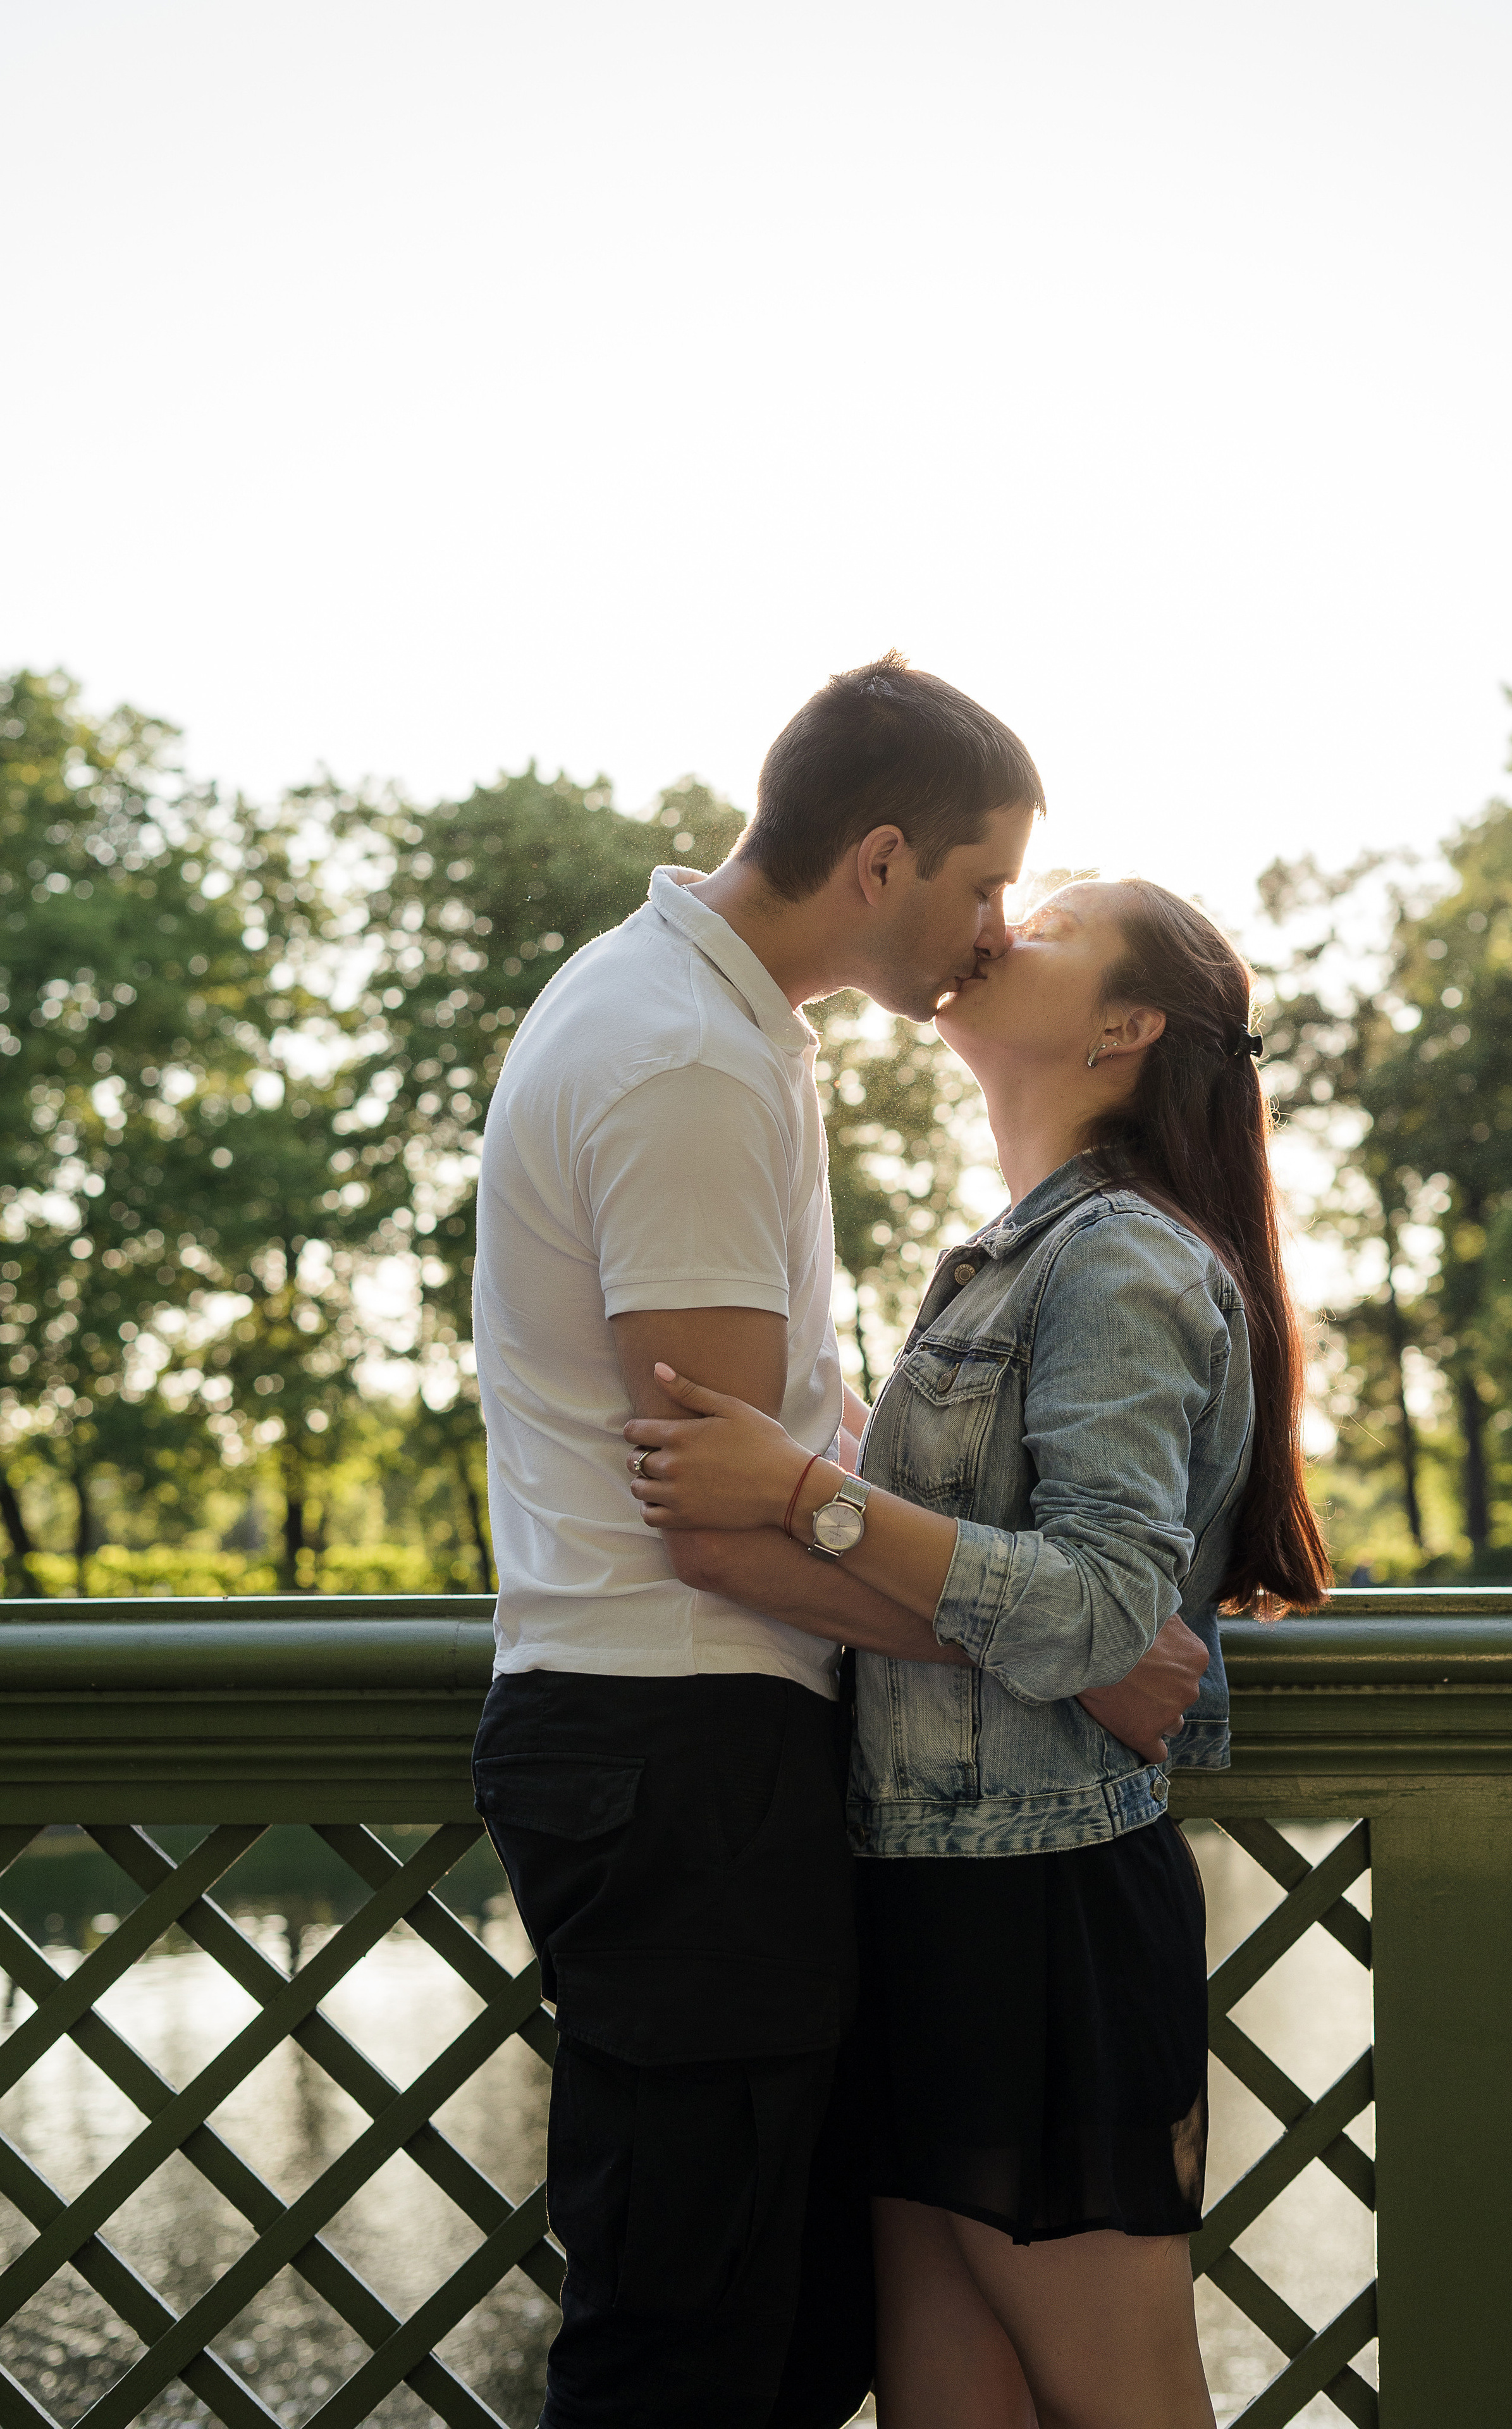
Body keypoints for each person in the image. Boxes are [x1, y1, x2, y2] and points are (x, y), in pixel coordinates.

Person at [469, 660, 1208, 2429]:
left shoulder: (711, 1027)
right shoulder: (683, 1058)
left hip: (706, 1758)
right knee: (691, 2347)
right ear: (880, 859)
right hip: (682, 1744)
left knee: (777, 2337)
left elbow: (772, 1467)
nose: (987, 930)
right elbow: (715, 1516)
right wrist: (1067, 1642)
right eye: (979, 885)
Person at [624, 875, 1336, 2429]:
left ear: (1125, 1028)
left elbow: (1093, 1606)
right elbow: (1017, 1575)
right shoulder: (1016, 1254)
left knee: (1125, 2406)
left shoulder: (1121, 1265)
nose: (1004, 927)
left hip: (1041, 1903)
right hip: (922, 1891)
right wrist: (852, 1475)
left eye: (1055, 921)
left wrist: (807, 1497)